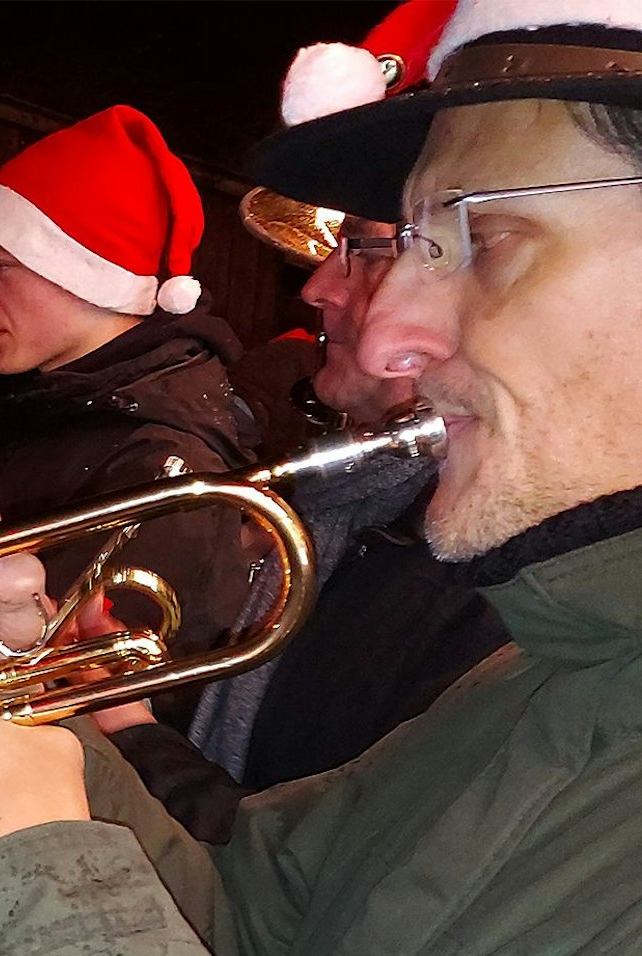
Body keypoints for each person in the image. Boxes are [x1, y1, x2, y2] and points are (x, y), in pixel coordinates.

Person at [0, 5, 642, 956]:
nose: (383, 333)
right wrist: (2, 694)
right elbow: (243, 929)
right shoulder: (547, 678)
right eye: (410, 243)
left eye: (484, 238)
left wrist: (11, 900)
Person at [92, 0, 507, 842]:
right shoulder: (354, 506)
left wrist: (127, 734)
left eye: (362, 249)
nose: (315, 289)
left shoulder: (482, 571)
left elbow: (314, 876)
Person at [0, 105, 257, 727]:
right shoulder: (39, 408)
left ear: (89, 275)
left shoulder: (164, 468)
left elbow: (45, 703)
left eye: (0, 263)